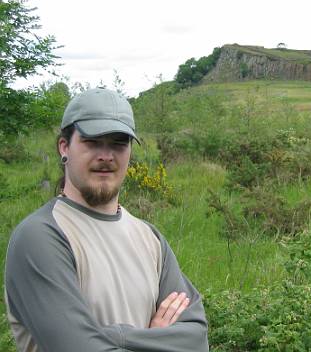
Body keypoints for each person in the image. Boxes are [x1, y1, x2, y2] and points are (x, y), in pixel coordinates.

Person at [4, 88, 209, 352]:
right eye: (92, 142)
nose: (106, 155)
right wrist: (155, 340)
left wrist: (118, 337)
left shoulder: (150, 238)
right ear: (64, 147)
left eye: (118, 143)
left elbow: (195, 339)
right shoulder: (41, 237)